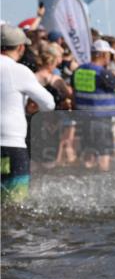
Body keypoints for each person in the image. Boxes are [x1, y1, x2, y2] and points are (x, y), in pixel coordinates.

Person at [1, 24, 55, 200]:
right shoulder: (18, 70)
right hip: (10, 144)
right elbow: (48, 104)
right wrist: (30, 107)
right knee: (14, 203)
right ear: (21, 47)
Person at [71, 39, 115, 171]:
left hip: (83, 119)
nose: (110, 58)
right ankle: (102, 182)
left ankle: (86, 182)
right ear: (103, 55)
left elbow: (74, 94)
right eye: (109, 55)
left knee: (88, 153)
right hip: (101, 120)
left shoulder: (79, 70)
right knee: (104, 155)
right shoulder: (103, 73)